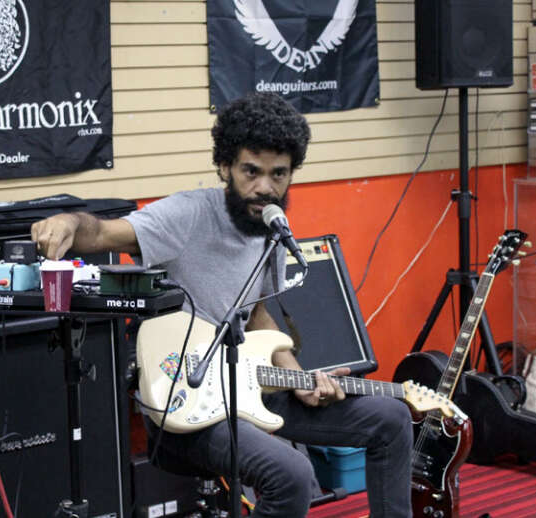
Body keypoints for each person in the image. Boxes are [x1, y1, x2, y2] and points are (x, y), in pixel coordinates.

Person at [31, 92, 412, 518]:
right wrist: (67, 222)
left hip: (250, 387)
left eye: (278, 174)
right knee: (292, 473)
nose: (265, 187)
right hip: (186, 405)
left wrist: (298, 378)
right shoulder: (188, 214)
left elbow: (259, 314)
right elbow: (102, 233)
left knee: (392, 419)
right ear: (226, 166)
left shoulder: (273, 228)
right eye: (252, 171)